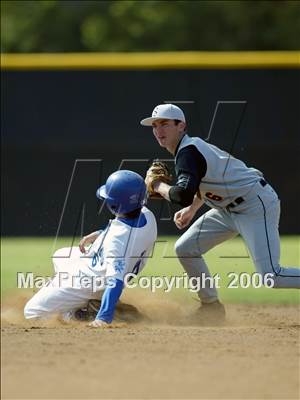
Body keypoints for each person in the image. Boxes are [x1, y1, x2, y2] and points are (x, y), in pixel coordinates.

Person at [140, 103, 300, 322]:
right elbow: (206, 182)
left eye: (165, 124)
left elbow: (181, 195)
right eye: (155, 126)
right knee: (185, 248)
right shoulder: (188, 149)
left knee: (271, 275)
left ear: (181, 126)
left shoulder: (188, 152)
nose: (159, 130)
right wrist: (193, 209)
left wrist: (157, 185)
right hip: (226, 209)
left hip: (254, 204)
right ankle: (211, 307)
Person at [24, 170, 157, 327]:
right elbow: (125, 234)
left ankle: (79, 313)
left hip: (88, 282)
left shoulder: (116, 242)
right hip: (96, 264)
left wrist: (103, 319)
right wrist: (100, 234)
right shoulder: (148, 216)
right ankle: (73, 298)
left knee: (31, 312)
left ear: (115, 205)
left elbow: (115, 281)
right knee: (60, 255)